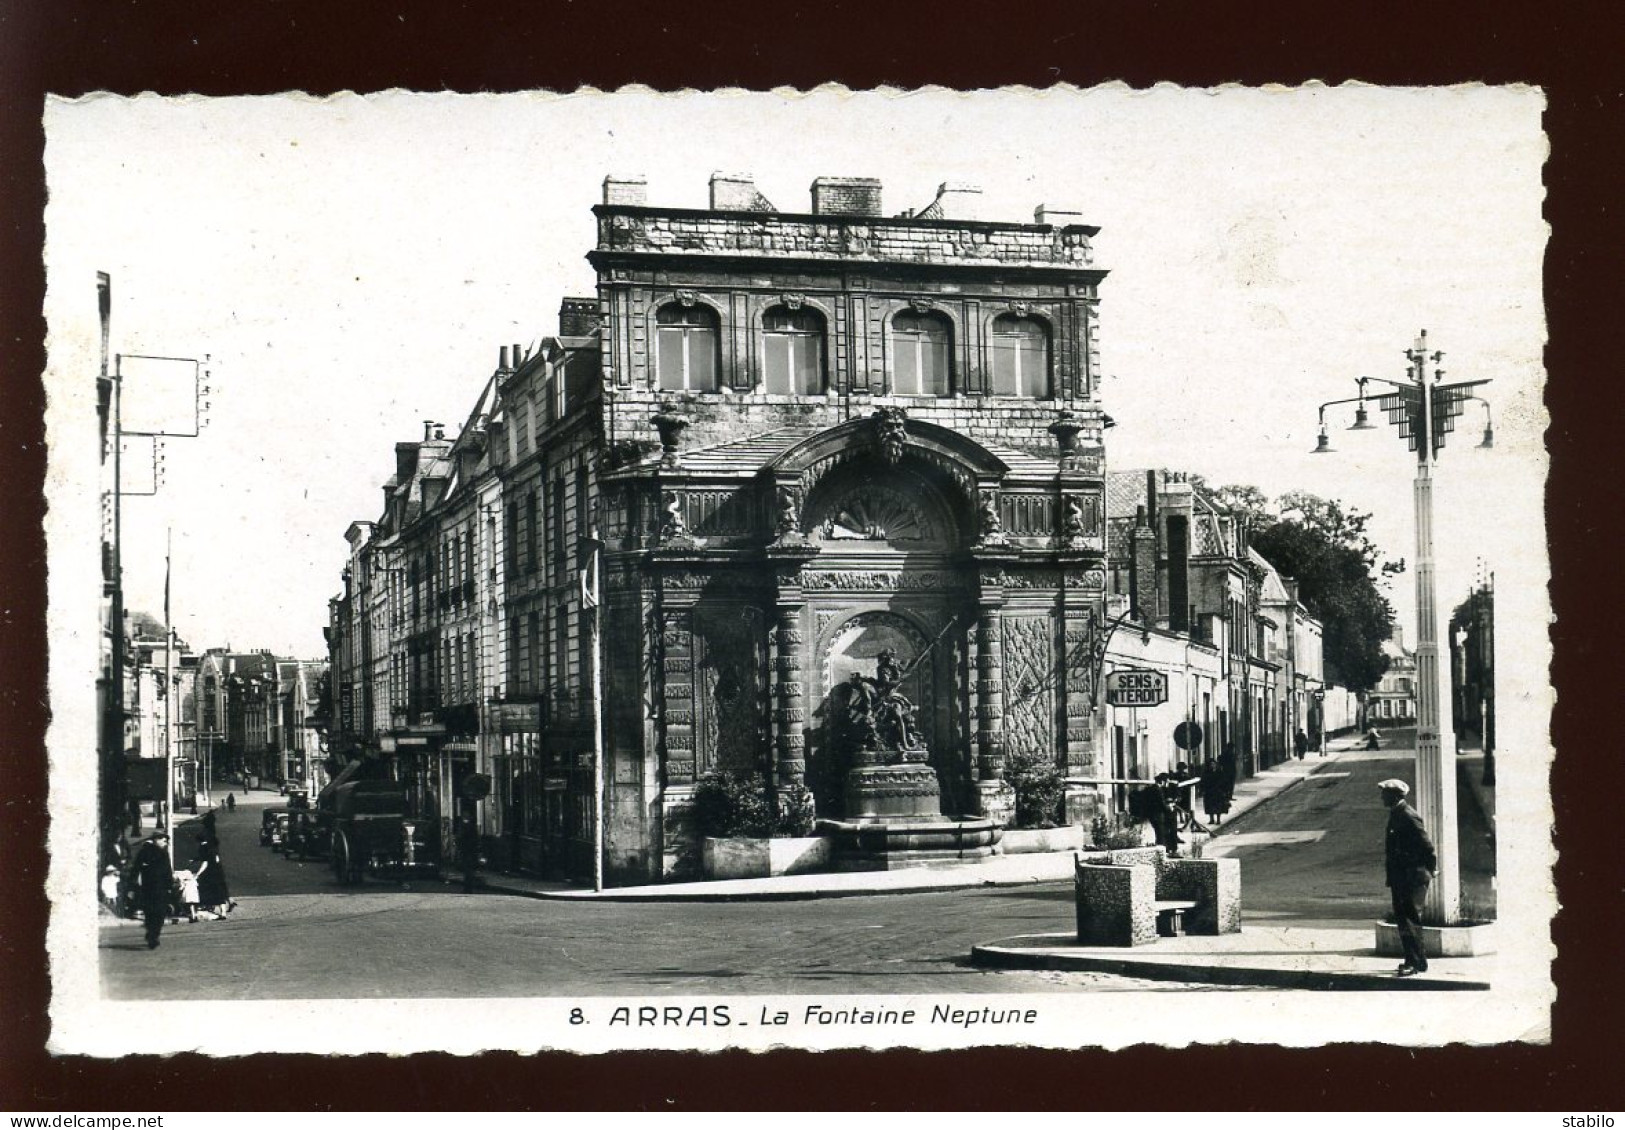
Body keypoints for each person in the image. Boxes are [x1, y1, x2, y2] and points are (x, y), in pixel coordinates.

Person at [1379, 778, 1437, 976]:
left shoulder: (1407, 815)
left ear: (1395, 795)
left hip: (1412, 876)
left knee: (1410, 920)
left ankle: (1415, 963)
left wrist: (1431, 869)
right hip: (1401, 877)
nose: (1381, 797)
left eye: (1384, 794)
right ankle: (1414, 961)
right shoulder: (1397, 813)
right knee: (1404, 919)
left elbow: (1427, 846)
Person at [131, 830, 174, 949]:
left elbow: (167, 871)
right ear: (156, 840)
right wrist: (170, 886)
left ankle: (152, 935)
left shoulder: (161, 853)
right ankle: (153, 935)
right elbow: (136, 869)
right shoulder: (146, 852)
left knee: (154, 913)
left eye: (165, 840)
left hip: (154, 888)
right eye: (162, 840)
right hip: (153, 889)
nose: (164, 842)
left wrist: (169, 885)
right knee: (156, 913)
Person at [193, 817, 235, 917]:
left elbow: (205, 862)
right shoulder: (212, 845)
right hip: (218, 870)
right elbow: (216, 858)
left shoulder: (203, 847)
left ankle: (206, 905)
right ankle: (224, 910)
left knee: (208, 889)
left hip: (210, 872)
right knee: (221, 890)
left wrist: (198, 874)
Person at [1199, 757, 1231, 825]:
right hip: (1209, 792)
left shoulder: (1219, 771)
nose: (1212, 765)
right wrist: (1202, 790)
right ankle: (1211, 819)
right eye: (1211, 764)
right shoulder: (1206, 773)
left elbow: (1224, 781)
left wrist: (1225, 791)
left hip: (1218, 792)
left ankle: (1218, 819)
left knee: (1218, 806)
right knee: (1210, 806)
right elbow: (1203, 781)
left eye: (1213, 764)